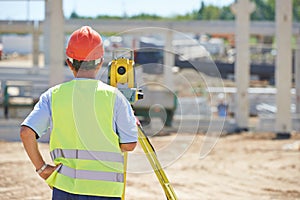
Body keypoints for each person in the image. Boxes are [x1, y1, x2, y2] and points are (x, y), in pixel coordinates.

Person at [20, 26, 138, 200]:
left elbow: (26, 132)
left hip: (64, 189)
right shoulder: (116, 98)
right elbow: (129, 145)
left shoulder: (53, 96)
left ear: (69, 63)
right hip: (105, 192)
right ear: (100, 62)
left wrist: (42, 168)